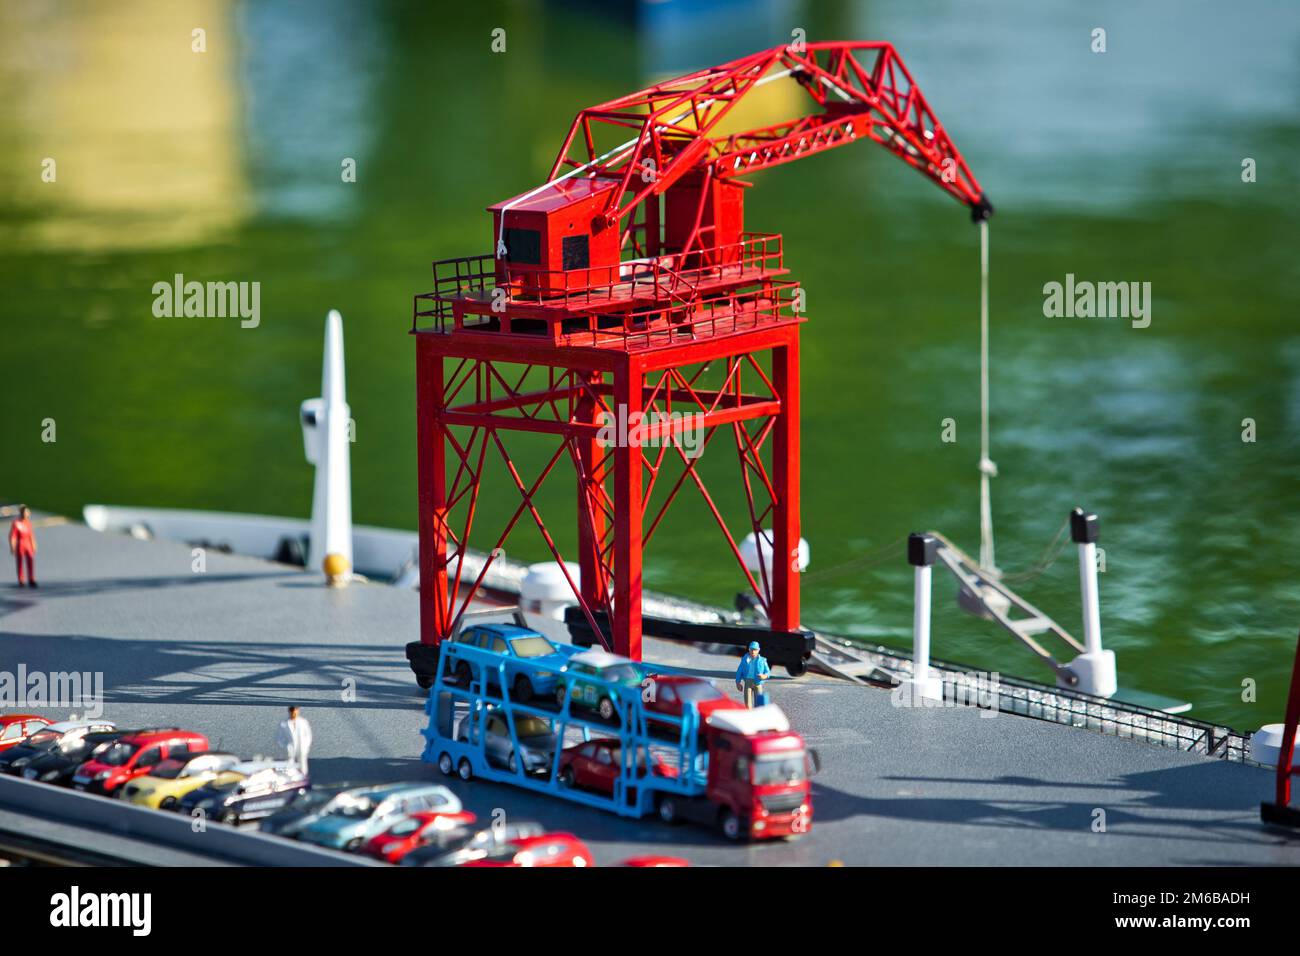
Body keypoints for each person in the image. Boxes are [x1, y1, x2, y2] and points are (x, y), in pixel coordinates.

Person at [275, 705, 313, 774]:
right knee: (289, 764)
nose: (294, 714)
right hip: (290, 748)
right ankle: (290, 778)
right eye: (292, 713)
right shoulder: (284, 724)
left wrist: (306, 745)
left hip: (301, 746)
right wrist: (285, 746)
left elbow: (308, 735)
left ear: (298, 712)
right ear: (289, 712)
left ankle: (303, 777)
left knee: (303, 764)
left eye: (295, 713)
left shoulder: (303, 722)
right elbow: (279, 737)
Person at [735, 641, 771, 708]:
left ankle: (758, 715)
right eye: (751, 649)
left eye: (755, 650)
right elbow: (739, 671)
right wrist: (738, 682)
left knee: (759, 702)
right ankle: (749, 715)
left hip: (758, 682)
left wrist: (764, 676)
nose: (753, 652)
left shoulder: (763, 660)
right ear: (749, 649)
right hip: (748, 682)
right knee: (747, 702)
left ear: (758, 650)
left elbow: (768, 672)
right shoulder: (745, 659)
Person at [8, 507, 36, 588]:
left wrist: (33, 544)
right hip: (20, 544)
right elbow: (12, 536)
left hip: (28, 544)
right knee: (20, 562)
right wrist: (12, 546)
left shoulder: (28, 523)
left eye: (28, 513)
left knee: (30, 560)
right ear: (22, 513)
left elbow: (31, 534)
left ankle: (31, 579)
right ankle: (21, 580)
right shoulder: (16, 523)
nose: (27, 514)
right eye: (25, 513)